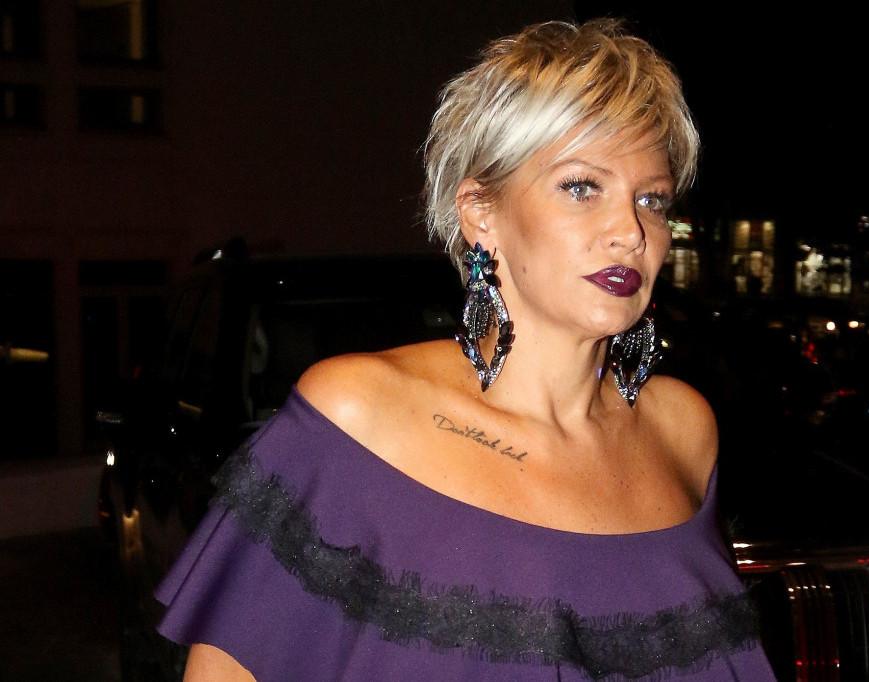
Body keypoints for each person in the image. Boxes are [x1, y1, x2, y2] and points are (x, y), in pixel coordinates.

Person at [156, 19, 777, 681]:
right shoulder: (360, 419)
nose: (630, 231)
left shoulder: (683, 429)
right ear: (481, 212)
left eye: (650, 199)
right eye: (581, 187)